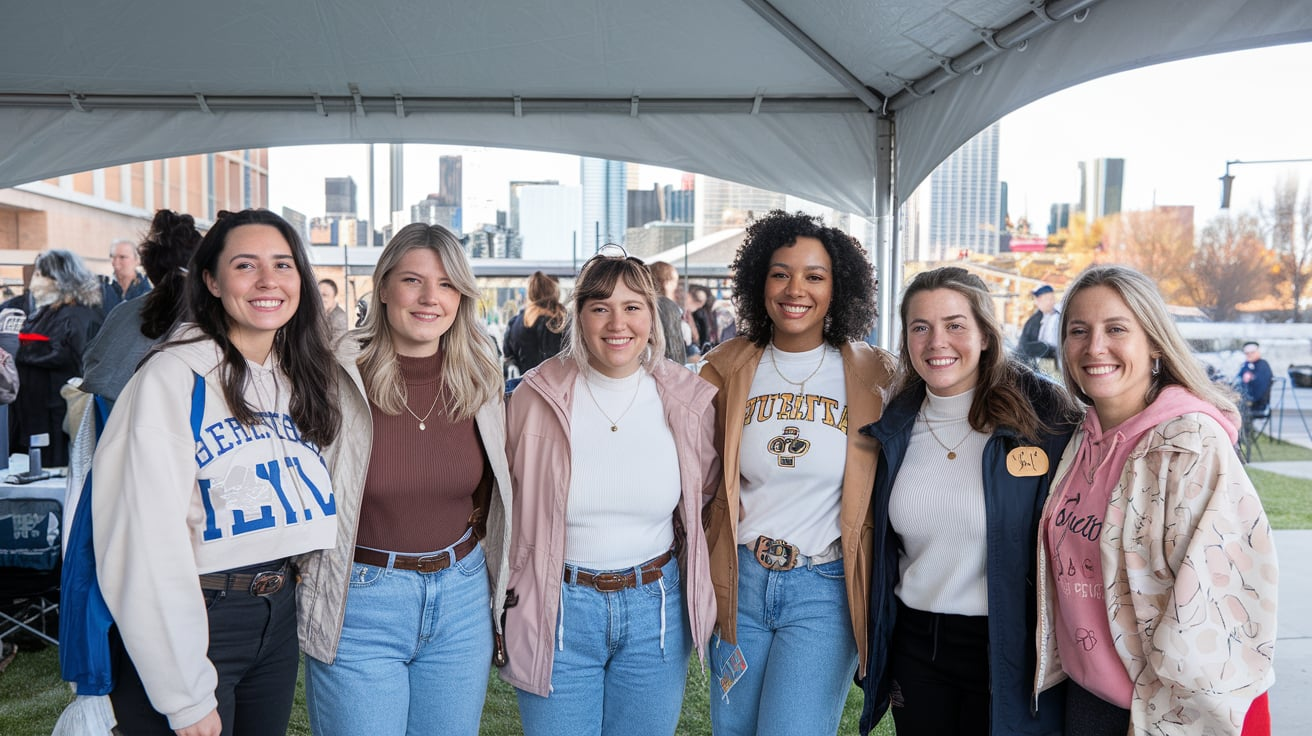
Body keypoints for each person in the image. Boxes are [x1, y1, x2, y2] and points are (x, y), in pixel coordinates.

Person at [92, 208, 341, 735]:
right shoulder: (170, 377)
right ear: (211, 279)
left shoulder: (299, 379)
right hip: (199, 615)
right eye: (246, 265)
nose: (269, 280)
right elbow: (143, 544)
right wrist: (184, 693)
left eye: (284, 264)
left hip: (276, 614)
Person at [1036, 264, 1277, 735]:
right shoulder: (1078, 439)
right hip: (1086, 698)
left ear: (1155, 345)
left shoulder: (1193, 445)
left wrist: (1166, 723)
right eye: (1078, 331)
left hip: (1167, 713)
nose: (1094, 347)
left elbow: (1218, 610)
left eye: (1116, 329)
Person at [298, 223, 512, 735]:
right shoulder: (335, 372)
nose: (429, 298)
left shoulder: (481, 374)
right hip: (360, 600)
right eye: (413, 280)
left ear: (461, 297)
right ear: (385, 287)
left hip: (460, 599)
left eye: (445, 285)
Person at [502, 246, 718, 736]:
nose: (617, 323)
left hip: (654, 609)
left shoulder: (687, 400)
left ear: (652, 315)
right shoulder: (534, 398)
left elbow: (704, 496)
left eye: (632, 307)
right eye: (600, 307)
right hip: (558, 605)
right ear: (578, 316)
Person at [857, 267, 1080, 735]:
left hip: (1004, 643)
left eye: (955, 325)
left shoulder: (1042, 419)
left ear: (984, 334)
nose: (937, 341)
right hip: (915, 644)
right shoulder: (892, 425)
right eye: (921, 327)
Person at [700, 210, 894, 736]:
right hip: (740, 581)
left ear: (838, 288)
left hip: (823, 587)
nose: (795, 289)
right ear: (758, 283)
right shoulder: (724, 369)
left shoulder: (876, 375)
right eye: (780, 273)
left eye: (814, 275)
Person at [81, 209, 202, 406]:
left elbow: (92, 364)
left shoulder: (123, 311)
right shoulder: (211, 318)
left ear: (149, 268)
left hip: (113, 423)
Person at [11, 249, 104, 467]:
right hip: (36, 414)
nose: (34, 282)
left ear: (59, 280)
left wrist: (23, 352)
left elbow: (70, 355)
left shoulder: (77, 314)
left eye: (40, 275)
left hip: (57, 415)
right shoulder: (48, 311)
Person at [503, 270, 567, 374]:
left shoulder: (514, 323)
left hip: (522, 386)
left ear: (529, 294)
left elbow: (508, 359)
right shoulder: (560, 322)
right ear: (554, 292)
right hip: (557, 386)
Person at [647, 261, 687, 364]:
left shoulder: (641, 303)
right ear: (666, 282)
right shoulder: (667, 306)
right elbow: (674, 350)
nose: (676, 287)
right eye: (675, 282)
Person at [100, 238, 153, 315]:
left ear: (137, 260)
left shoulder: (146, 292)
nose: (115, 262)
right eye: (113, 257)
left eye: (122, 257)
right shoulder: (103, 290)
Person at [1017, 284, 1059, 368]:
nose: (1038, 302)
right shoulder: (1033, 320)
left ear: (1053, 300)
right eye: (1038, 299)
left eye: (1045, 299)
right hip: (1036, 363)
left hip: (1055, 362)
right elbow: (1023, 345)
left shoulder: (1060, 317)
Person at [1236, 340, 1274, 418]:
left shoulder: (1263, 365)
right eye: (1247, 353)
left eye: (1252, 352)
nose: (1249, 355)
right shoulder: (1246, 365)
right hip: (1246, 400)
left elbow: (1260, 386)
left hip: (1257, 403)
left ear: (1258, 352)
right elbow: (1238, 379)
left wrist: (1250, 377)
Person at [317, 278, 350, 346]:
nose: (320, 299)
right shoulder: (319, 314)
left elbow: (335, 347)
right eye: (318, 295)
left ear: (334, 297)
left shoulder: (340, 318)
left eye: (325, 295)